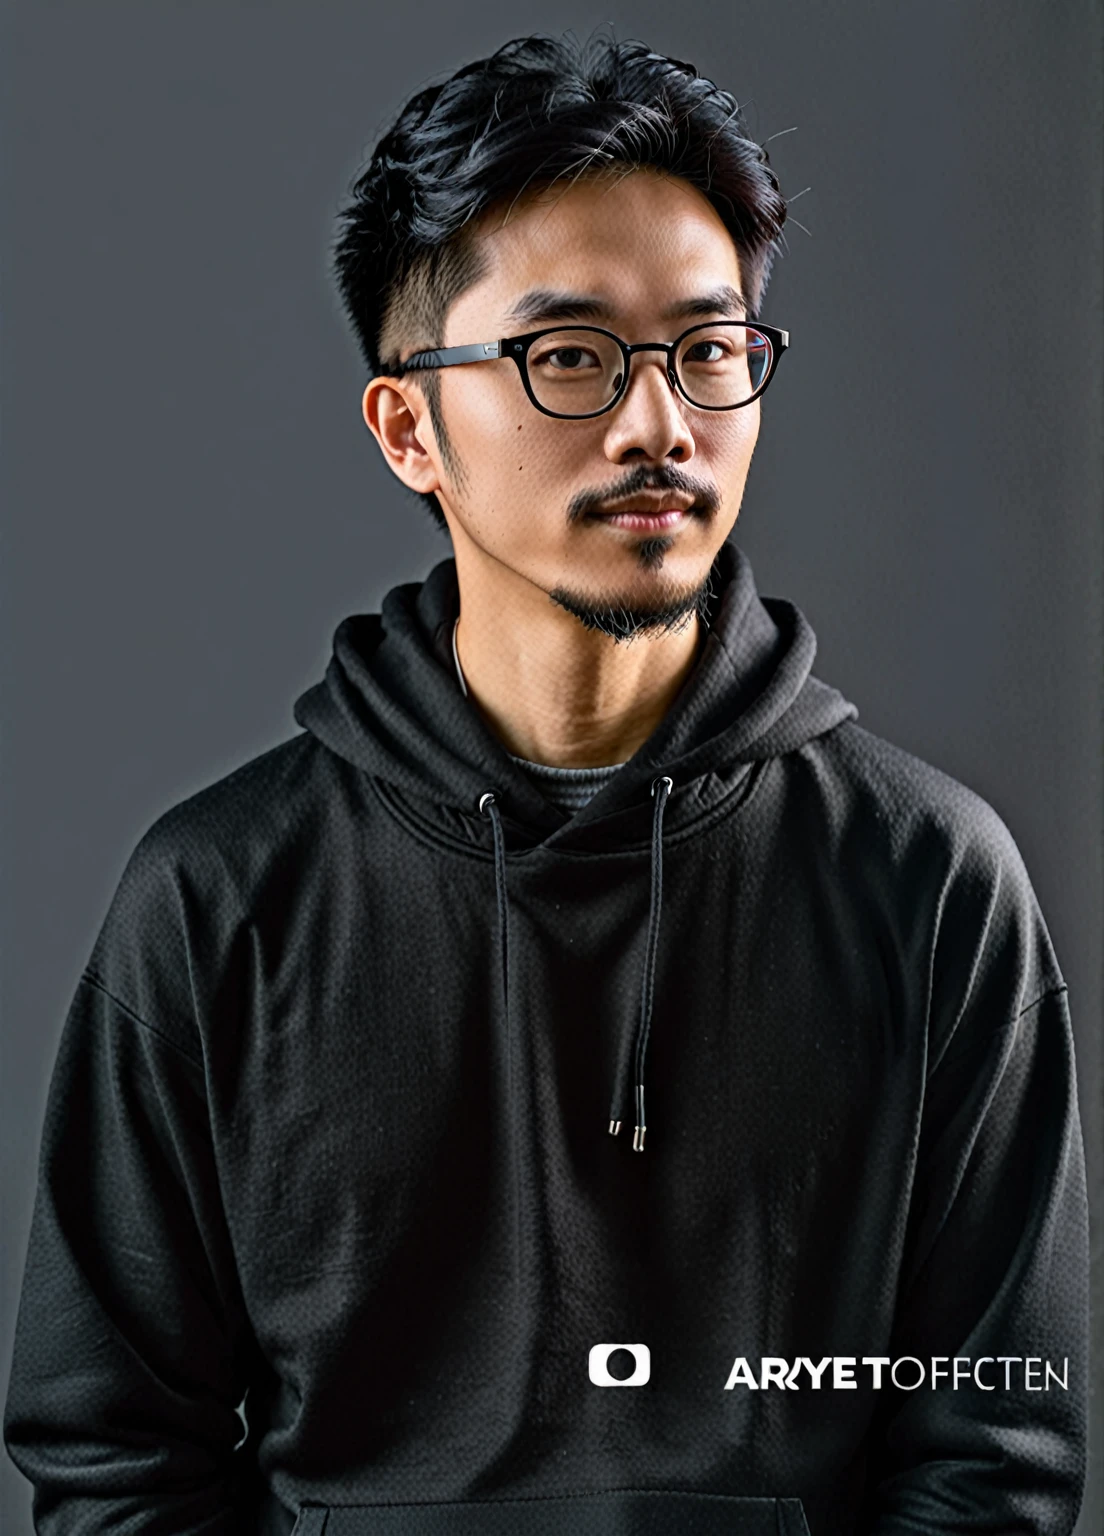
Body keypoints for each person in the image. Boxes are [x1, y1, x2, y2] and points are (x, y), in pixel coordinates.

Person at [3, 32, 1089, 1536]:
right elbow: (112, 1452)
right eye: (568, 357)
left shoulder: (927, 882)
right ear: (408, 429)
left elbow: (996, 1458)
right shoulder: (218, 900)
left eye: (707, 351)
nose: (661, 426)